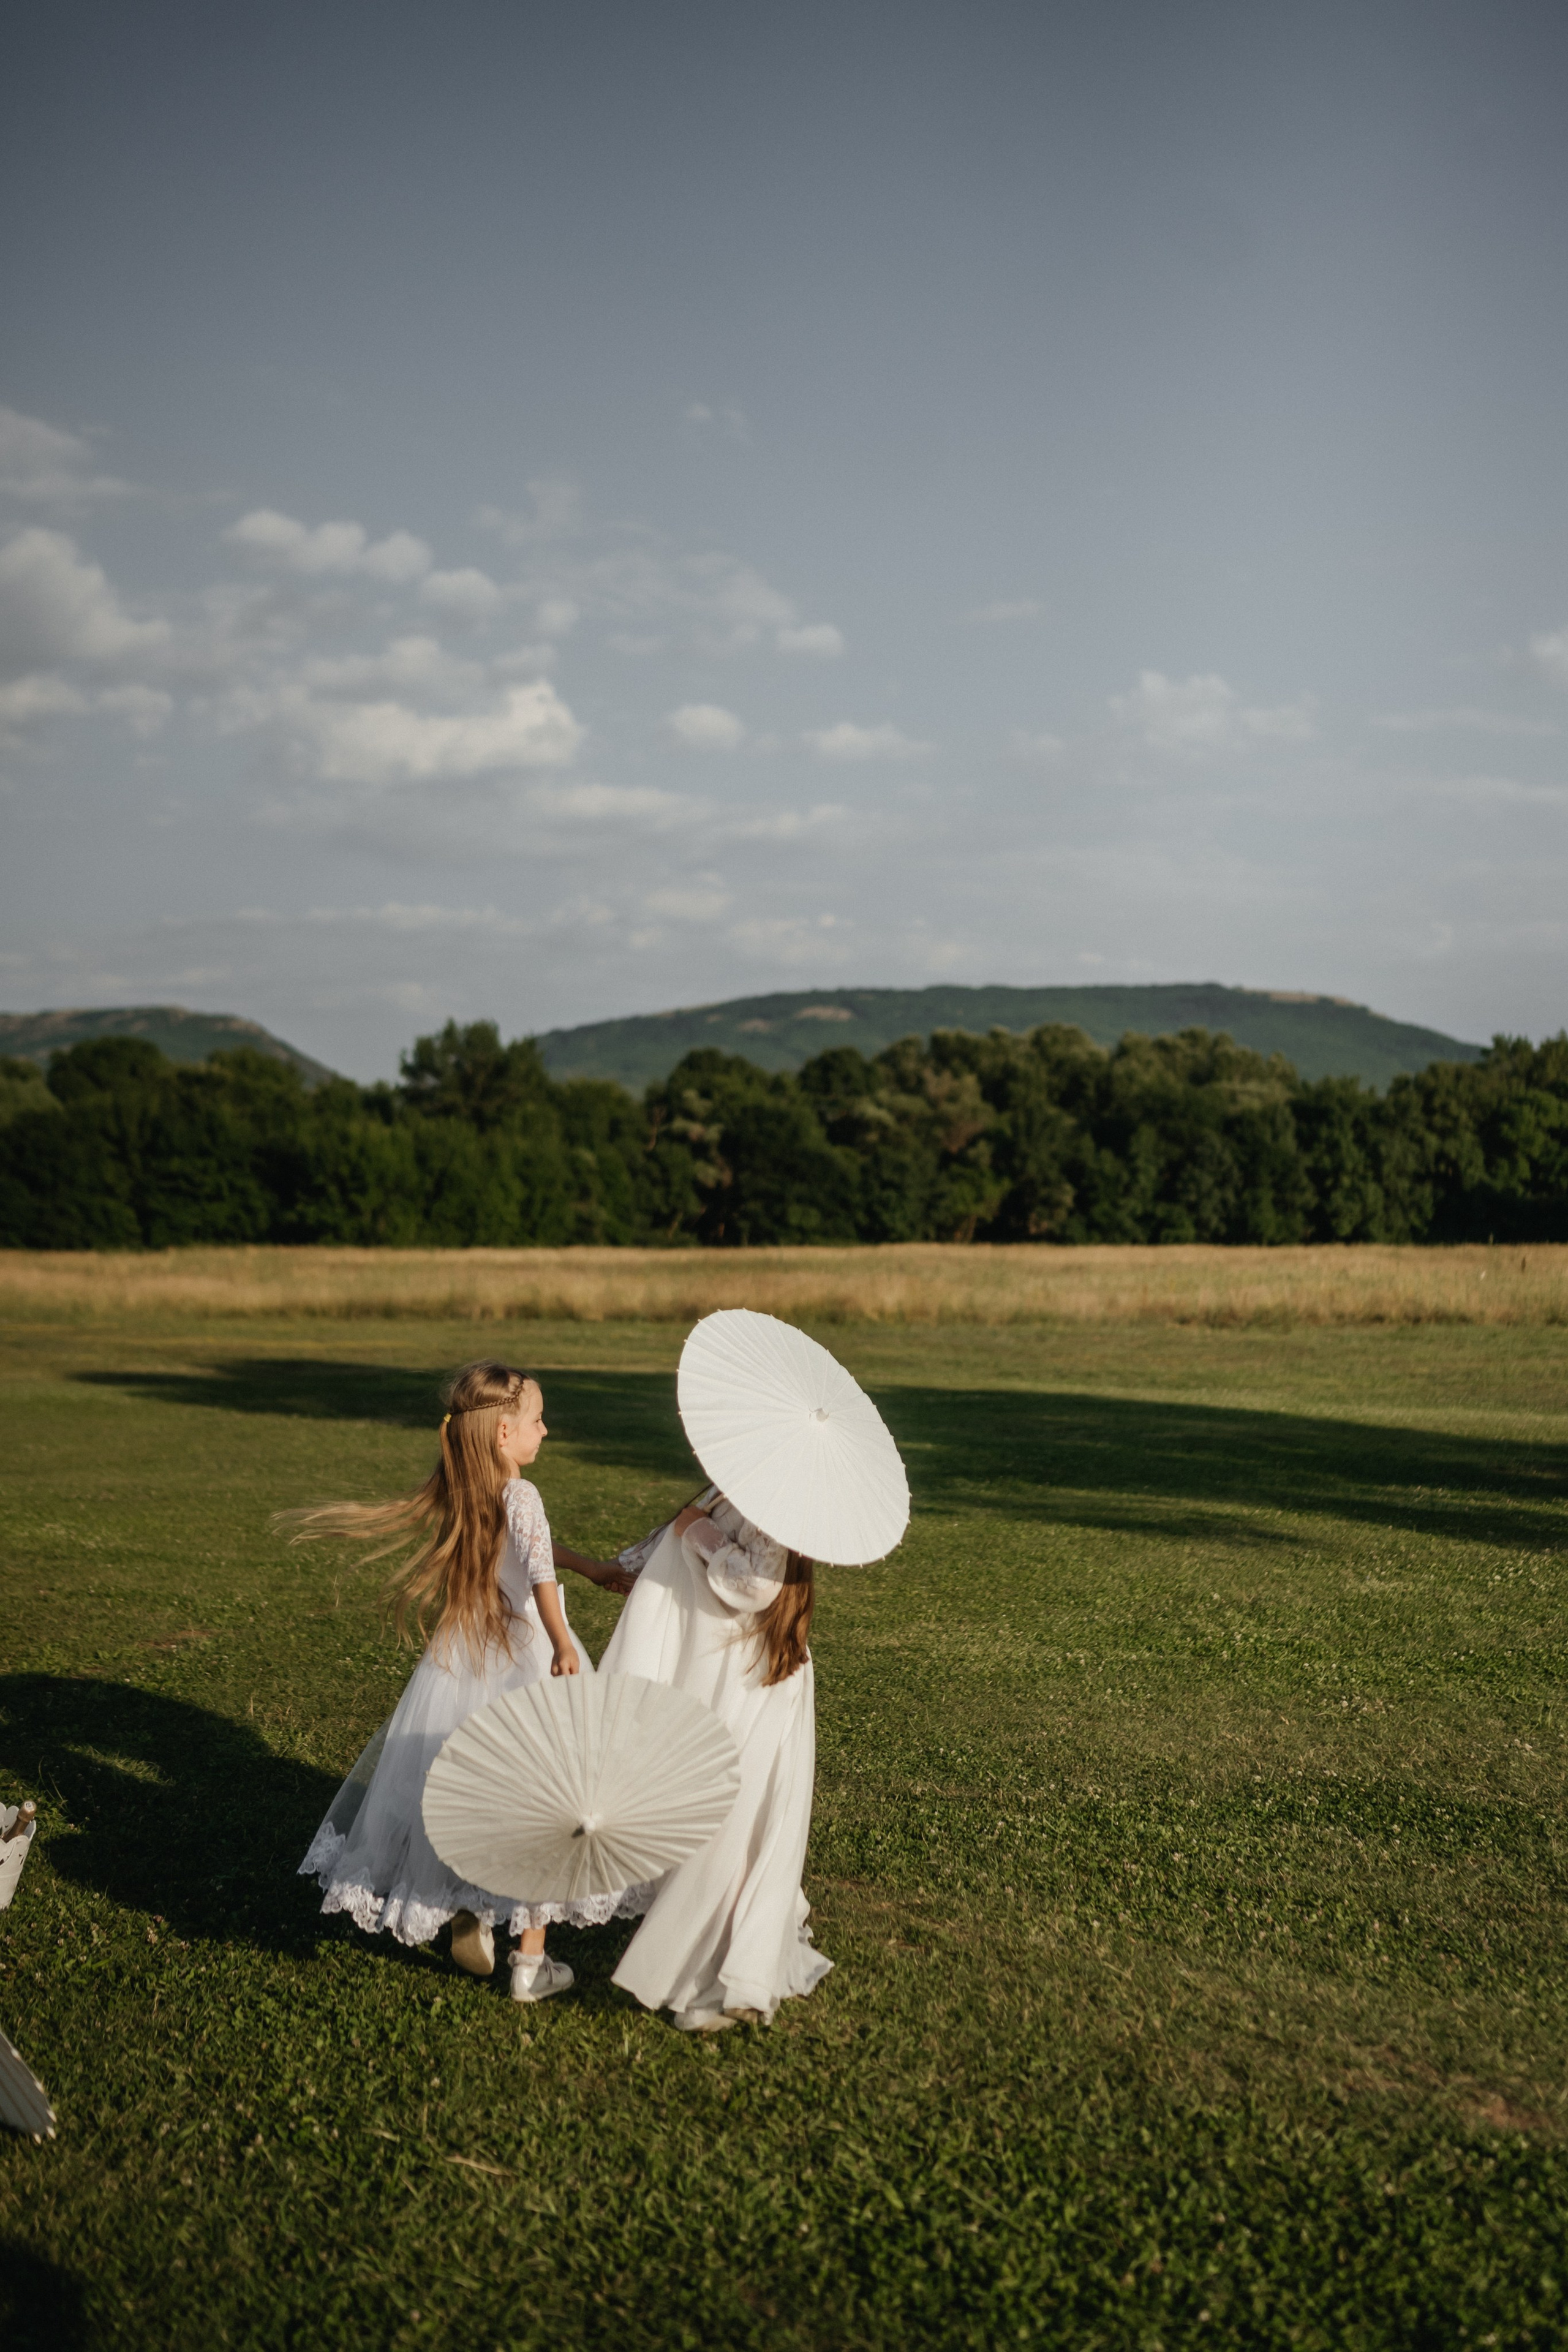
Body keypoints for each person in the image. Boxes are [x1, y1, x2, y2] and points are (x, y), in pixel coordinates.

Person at [285, 1360, 647, 2003]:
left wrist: (590, 1567)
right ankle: (530, 1965)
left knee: (468, 1784)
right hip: (530, 1656)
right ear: (505, 1433)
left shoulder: (471, 1490)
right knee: (552, 1798)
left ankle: (467, 1904)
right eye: (538, 1420)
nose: (548, 1430)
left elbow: (536, 1550)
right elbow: (537, 1573)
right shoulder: (523, 1494)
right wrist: (564, 1642)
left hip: (468, 1658)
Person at [598, 1488, 832, 2031]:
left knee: (732, 1819)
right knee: (722, 1813)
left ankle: (717, 1974)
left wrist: (698, 1532)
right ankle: (724, 1952)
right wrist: (620, 1565)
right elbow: (674, 1539)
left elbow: (756, 1585)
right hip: (723, 1666)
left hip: (750, 1677)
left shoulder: (776, 1506)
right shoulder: (736, 1490)